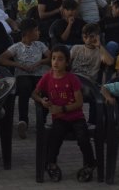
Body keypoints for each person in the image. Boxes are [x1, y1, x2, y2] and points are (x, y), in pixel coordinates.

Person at [32, 45, 97, 183]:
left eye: (60, 59)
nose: (56, 62)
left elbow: (79, 103)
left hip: (76, 118)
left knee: (83, 138)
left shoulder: (72, 78)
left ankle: (90, 164)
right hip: (59, 120)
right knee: (54, 139)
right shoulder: (47, 78)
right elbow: (34, 93)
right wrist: (41, 100)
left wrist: (62, 109)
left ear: (67, 62)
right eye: (54, 58)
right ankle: (51, 164)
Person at [0, 19, 50, 139]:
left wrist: (39, 62)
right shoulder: (16, 47)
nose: (38, 33)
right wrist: (19, 65)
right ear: (28, 33)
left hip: (38, 75)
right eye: (36, 30)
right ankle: (23, 121)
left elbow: (51, 57)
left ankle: (42, 121)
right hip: (23, 75)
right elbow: (1, 59)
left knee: (45, 90)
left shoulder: (40, 45)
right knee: (24, 89)